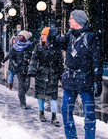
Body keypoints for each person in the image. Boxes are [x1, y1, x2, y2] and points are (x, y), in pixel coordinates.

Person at [48, 10, 103, 139]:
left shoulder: (91, 37)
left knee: (89, 114)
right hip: (70, 80)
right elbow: (53, 46)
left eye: (71, 18)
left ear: (79, 21)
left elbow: (97, 60)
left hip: (86, 79)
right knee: (65, 110)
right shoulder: (69, 36)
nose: (69, 20)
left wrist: (97, 80)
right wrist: (51, 36)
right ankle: (71, 137)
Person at [28, 27, 64, 125]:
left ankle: (54, 116)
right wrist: (33, 70)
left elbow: (60, 62)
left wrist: (62, 75)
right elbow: (34, 59)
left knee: (53, 96)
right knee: (41, 95)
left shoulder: (56, 48)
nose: (42, 36)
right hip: (41, 74)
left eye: (45, 34)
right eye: (42, 34)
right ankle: (41, 113)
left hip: (53, 74)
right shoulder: (38, 47)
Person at [8, 30, 34, 109]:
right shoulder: (14, 47)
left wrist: (30, 62)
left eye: (21, 36)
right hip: (19, 69)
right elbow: (11, 57)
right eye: (19, 36)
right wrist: (15, 64)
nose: (19, 37)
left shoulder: (30, 46)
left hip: (27, 68)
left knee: (27, 85)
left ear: (25, 37)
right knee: (21, 85)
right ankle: (22, 102)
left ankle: (21, 94)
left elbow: (33, 56)